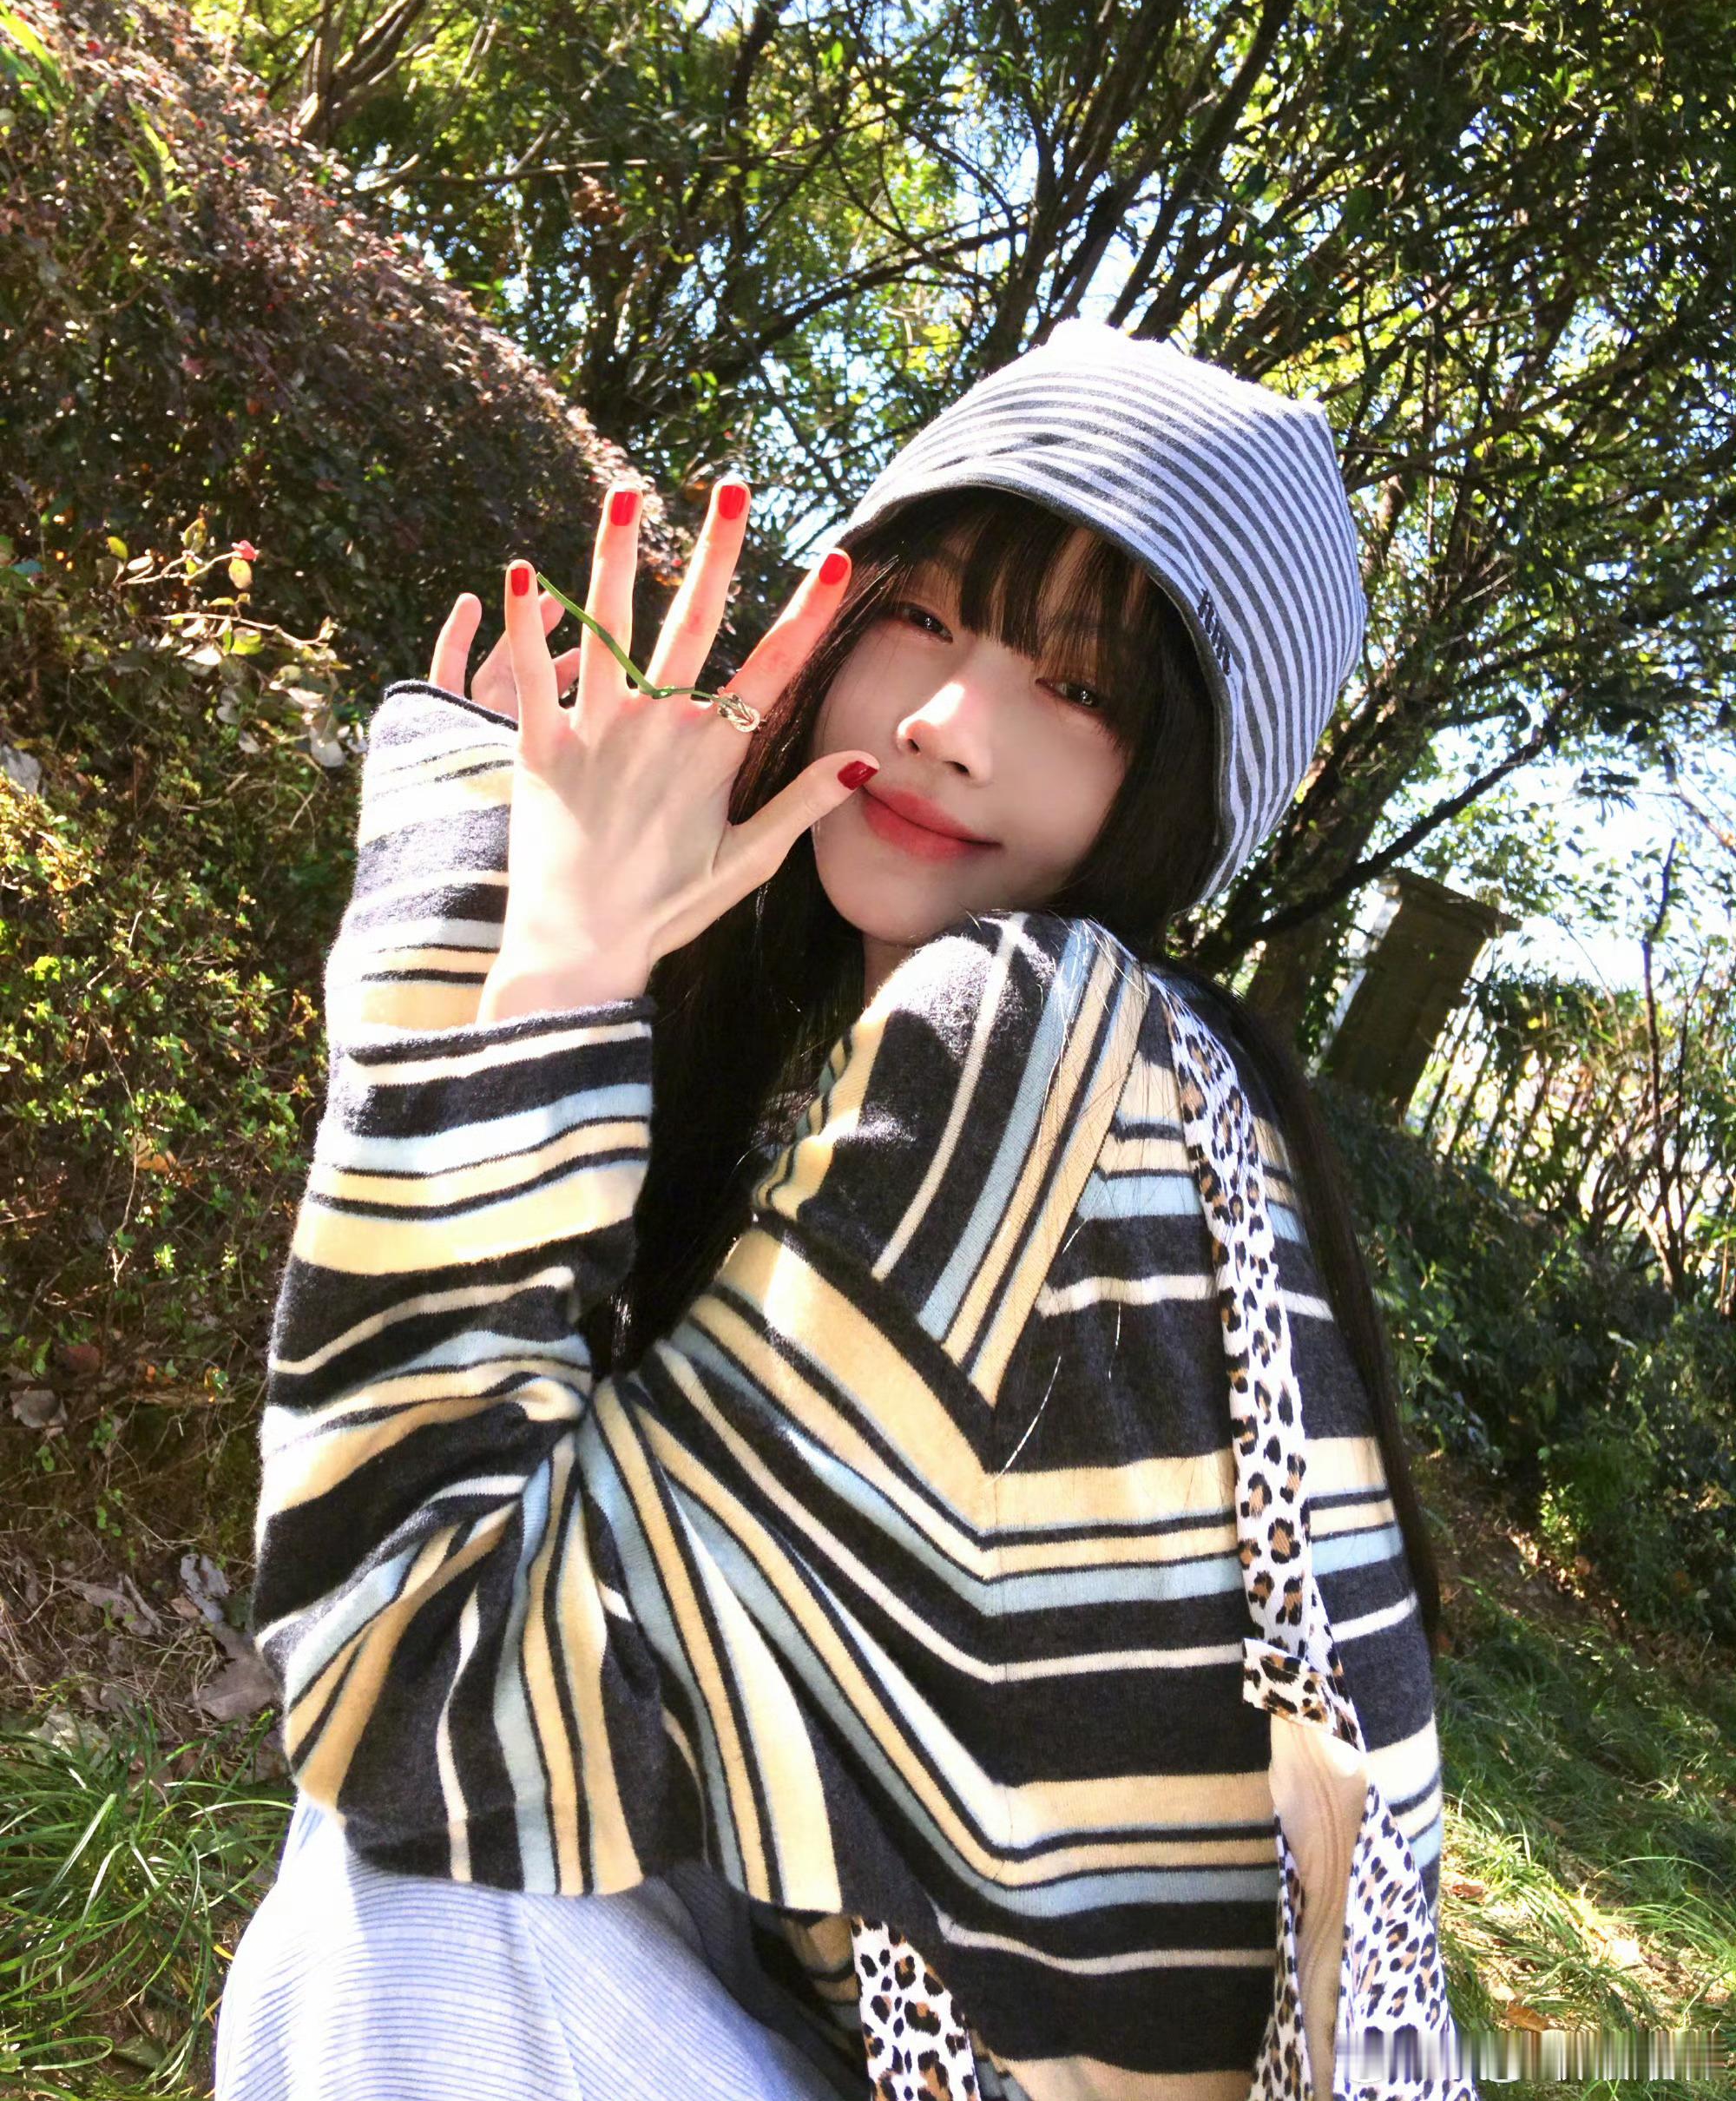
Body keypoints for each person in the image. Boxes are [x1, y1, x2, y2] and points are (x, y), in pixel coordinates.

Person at [216, 321, 1473, 2101]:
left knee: (407, 1906)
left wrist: (506, 922)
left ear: (1183, 802)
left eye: (1082, 691)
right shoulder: (967, 1060)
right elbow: (530, 1655)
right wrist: (568, 940)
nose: (950, 725)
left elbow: (404, 1689)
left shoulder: (1032, 1054)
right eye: (927, 617)